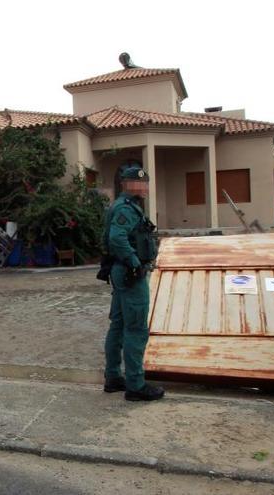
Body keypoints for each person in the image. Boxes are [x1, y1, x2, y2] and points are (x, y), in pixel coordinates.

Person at [100, 163, 164, 401]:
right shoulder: (126, 209)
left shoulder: (124, 206)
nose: (142, 187)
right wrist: (135, 262)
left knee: (117, 325)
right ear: (126, 185)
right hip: (130, 274)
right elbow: (117, 239)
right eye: (137, 183)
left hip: (120, 272)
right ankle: (136, 385)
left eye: (144, 183)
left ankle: (113, 377)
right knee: (135, 328)